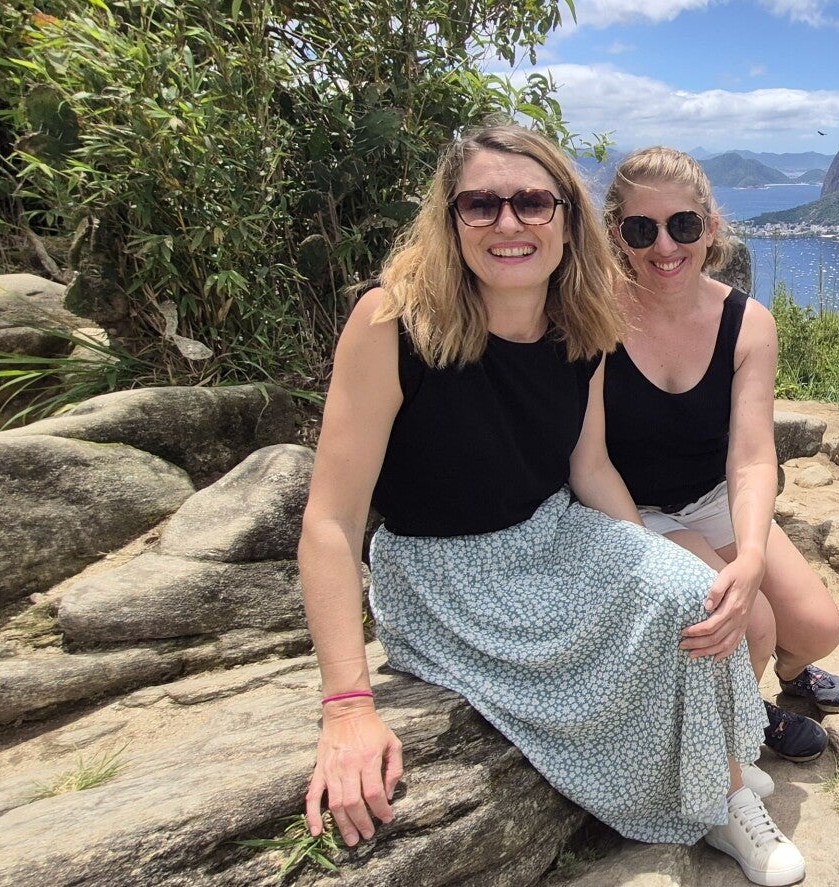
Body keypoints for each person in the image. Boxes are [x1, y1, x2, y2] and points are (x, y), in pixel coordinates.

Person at [296, 125, 804, 886]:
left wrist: (647, 571)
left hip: (553, 532)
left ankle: (716, 769)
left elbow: (588, 465)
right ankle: (721, 794)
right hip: (445, 573)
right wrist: (346, 707)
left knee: (688, 595)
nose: (509, 223)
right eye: (482, 205)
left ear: (566, 218)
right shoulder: (393, 324)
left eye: (533, 202)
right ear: (450, 219)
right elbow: (331, 522)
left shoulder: (581, 321)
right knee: (681, 601)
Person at [602, 146, 839, 765]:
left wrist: (750, 553)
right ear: (618, 234)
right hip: (629, 508)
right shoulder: (596, 316)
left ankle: (789, 676)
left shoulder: (746, 323)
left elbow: (750, 457)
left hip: (712, 495)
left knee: (819, 629)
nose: (666, 246)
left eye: (683, 225)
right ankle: (746, 713)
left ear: (711, 227)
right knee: (751, 623)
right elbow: (586, 457)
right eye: (642, 230)